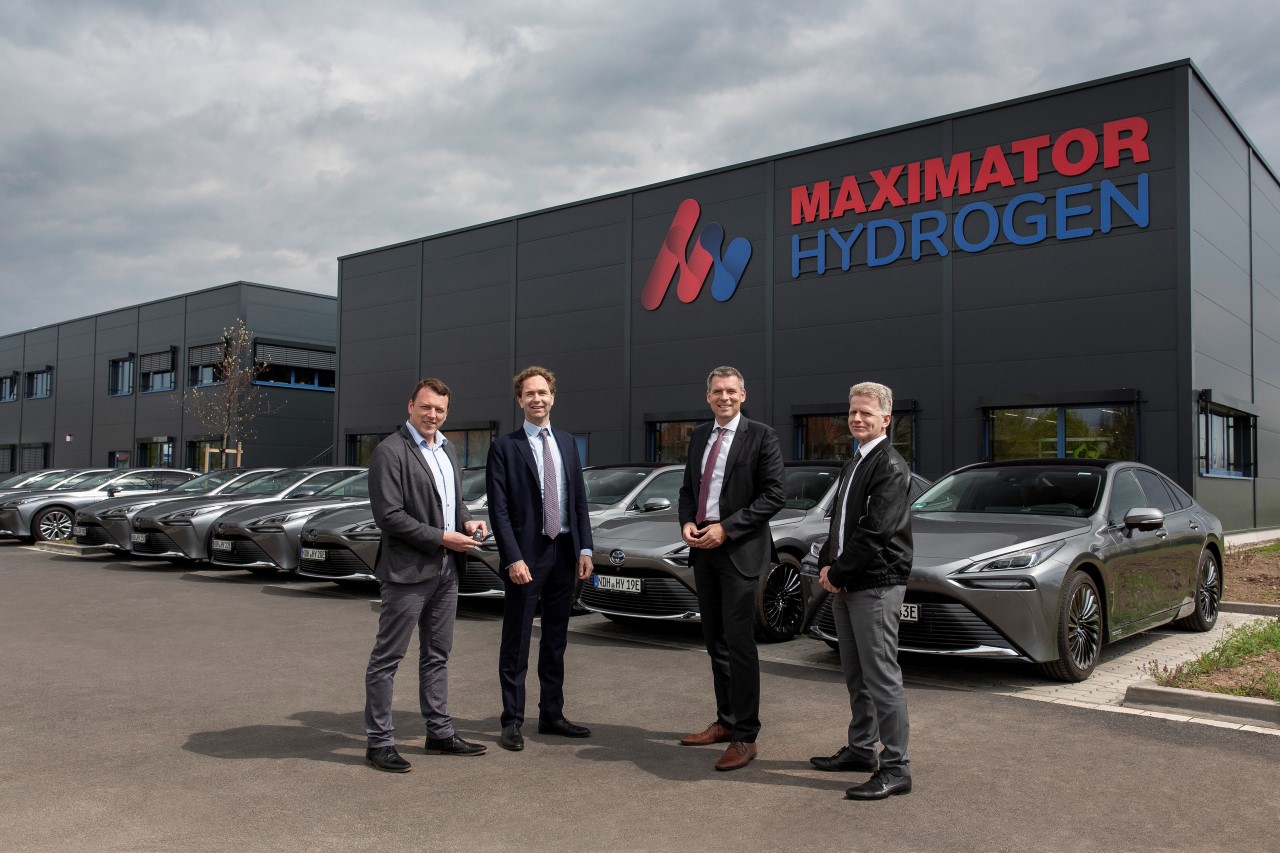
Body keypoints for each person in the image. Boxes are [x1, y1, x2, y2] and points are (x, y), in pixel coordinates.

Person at [363, 378, 489, 773]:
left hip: (447, 570)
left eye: (440, 410)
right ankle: (379, 742)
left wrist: (468, 522)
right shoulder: (390, 451)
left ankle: (439, 734)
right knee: (388, 658)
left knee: (437, 655)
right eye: (426, 407)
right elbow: (389, 516)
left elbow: (454, 503)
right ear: (410, 406)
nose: (432, 415)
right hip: (407, 571)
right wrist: (441, 538)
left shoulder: (447, 449)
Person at [677, 366, 785, 771]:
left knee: (739, 644)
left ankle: (746, 735)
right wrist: (687, 521)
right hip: (703, 548)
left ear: (743, 394)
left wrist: (727, 528)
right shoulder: (699, 435)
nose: (724, 397)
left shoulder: (762, 436)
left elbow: (774, 495)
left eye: (731, 391)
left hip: (739, 549)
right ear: (708, 396)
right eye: (717, 391)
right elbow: (688, 489)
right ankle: (726, 722)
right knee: (715, 641)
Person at [811, 381, 914, 799]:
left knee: (881, 678)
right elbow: (841, 521)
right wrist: (826, 562)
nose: (857, 418)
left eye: (866, 412)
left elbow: (875, 532)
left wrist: (837, 572)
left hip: (875, 584)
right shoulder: (855, 459)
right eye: (853, 411)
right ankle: (861, 750)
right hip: (849, 582)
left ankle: (897, 769)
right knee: (857, 675)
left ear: (886, 419)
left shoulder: (889, 465)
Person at [485, 366, 594, 752]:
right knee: (516, 640)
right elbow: (498, 510)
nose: (537, 399)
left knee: (556, 639)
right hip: (525, 557)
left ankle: (551, 714)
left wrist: (585, 548)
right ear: (519, 400)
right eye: (529, 393)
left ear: (553, 397)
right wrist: (512, 558)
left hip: (564, 552)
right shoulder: (504, 447)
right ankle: (511, 721)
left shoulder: (566, 442)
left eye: (543, 392)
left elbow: (578, 499)